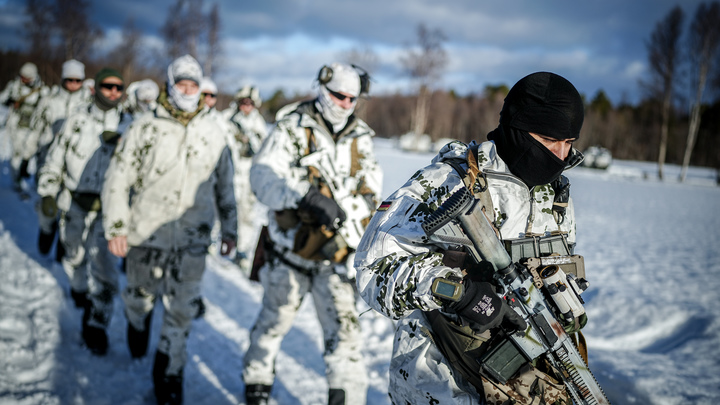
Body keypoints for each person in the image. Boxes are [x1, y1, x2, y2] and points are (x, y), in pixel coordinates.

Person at [354, 72, 586, 405]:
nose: (562, 156)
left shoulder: (557, 197)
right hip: (439, 381)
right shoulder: (448, 182)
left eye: (569, 143)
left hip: (524, 381)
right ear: (520, 130)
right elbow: (373, 267)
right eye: (551, 141)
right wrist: (459, 293)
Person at [242, 63, 382, 405]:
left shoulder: (361, 137)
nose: (345, 104)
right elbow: (261, 177)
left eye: (352, 98)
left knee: (346, 341)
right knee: (271, 327)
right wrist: (305, 196)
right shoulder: (291, 127)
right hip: (288, 256)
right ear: (322, 89)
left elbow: (373, 188)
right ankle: (257, 383)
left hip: (337, 259)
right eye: (338, 95)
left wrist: (357, 209)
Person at [102, 54, 237, 405]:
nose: (188, 90)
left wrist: (231, 228)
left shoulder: (214, 131)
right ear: (170, 84)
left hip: (192, 240)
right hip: (146, 234)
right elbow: (118, 178)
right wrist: (116, 226)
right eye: (181, 83)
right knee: (139, 298)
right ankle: (137, 322)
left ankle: (169, 373)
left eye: (193, 84)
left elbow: (226, 186)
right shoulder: (145, 127)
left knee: (181, 311)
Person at [37, 67, 130, 354]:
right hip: (74, 204)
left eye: (118, 87)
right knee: (74, 255)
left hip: (108, 212)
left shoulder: (130, 125)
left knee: (104, 269)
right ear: (96, 88)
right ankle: (78, 289)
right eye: (107, 86)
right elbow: (55, 159)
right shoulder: (76, 121)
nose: (113, 92)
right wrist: (48, 191)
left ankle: (97, 323)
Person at [29, 59, 91, 256]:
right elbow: (36, 128)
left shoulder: (88, 104)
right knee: (47, 207)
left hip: (74, 166)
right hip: (48, 161)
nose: (73, 84)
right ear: (64, 79)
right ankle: (46, 232)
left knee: (68, 211)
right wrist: (28, 153)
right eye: (70, 79)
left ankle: (61, 250)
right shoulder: (50, 101)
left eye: (77, 80)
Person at [222, 85, 268, 268]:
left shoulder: (259, 123)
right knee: (226, 207)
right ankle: (221, 240)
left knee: (247, 213)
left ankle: (242, 250)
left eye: (250, 103)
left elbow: (263, 147)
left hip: (248, 173)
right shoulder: (228, 118)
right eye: (243, 102)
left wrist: (250, 139)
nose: (246, 106)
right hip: (231, 171)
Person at [0, 62, 50, 192]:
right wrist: (10, 100)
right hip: (16, 126)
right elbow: (3, 99)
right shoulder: (14, 86)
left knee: (30, 153)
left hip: (34, 129)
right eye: (22, 77)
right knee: (16, 154)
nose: (23, 80)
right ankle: (17, 180)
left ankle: (26, 172)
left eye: (26, 78)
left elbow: (48, 107)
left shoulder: (42, 90)